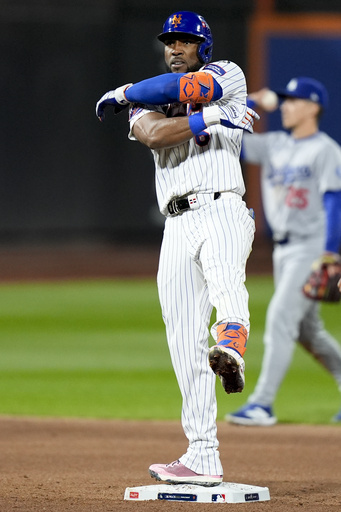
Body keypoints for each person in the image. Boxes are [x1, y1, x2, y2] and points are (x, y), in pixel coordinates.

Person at [96, 11, 258, 485]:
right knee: (184, 342)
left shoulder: (228, 74)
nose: (176, 48)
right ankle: (202, 455)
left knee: (227, 280)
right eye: (170, 41)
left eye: (186, 41)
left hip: (223, 205)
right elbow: (153, 133)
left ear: (203, 47)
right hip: (175, 225)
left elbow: (192, 91)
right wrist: (207, 118)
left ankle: (232, 342)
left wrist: (128, 91)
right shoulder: (149, 96)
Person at [225, 77, 341, 426]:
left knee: (279, 317)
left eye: (295, 100)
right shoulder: (274, 144)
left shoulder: (326, 150)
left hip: (311, 246)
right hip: (282, 250)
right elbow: (234, 139)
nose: (287, 105)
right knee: (308, 331)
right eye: (286, 99)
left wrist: (331, 253)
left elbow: (335, 202)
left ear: (313, 107)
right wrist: (254, 102)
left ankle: (262, 403)